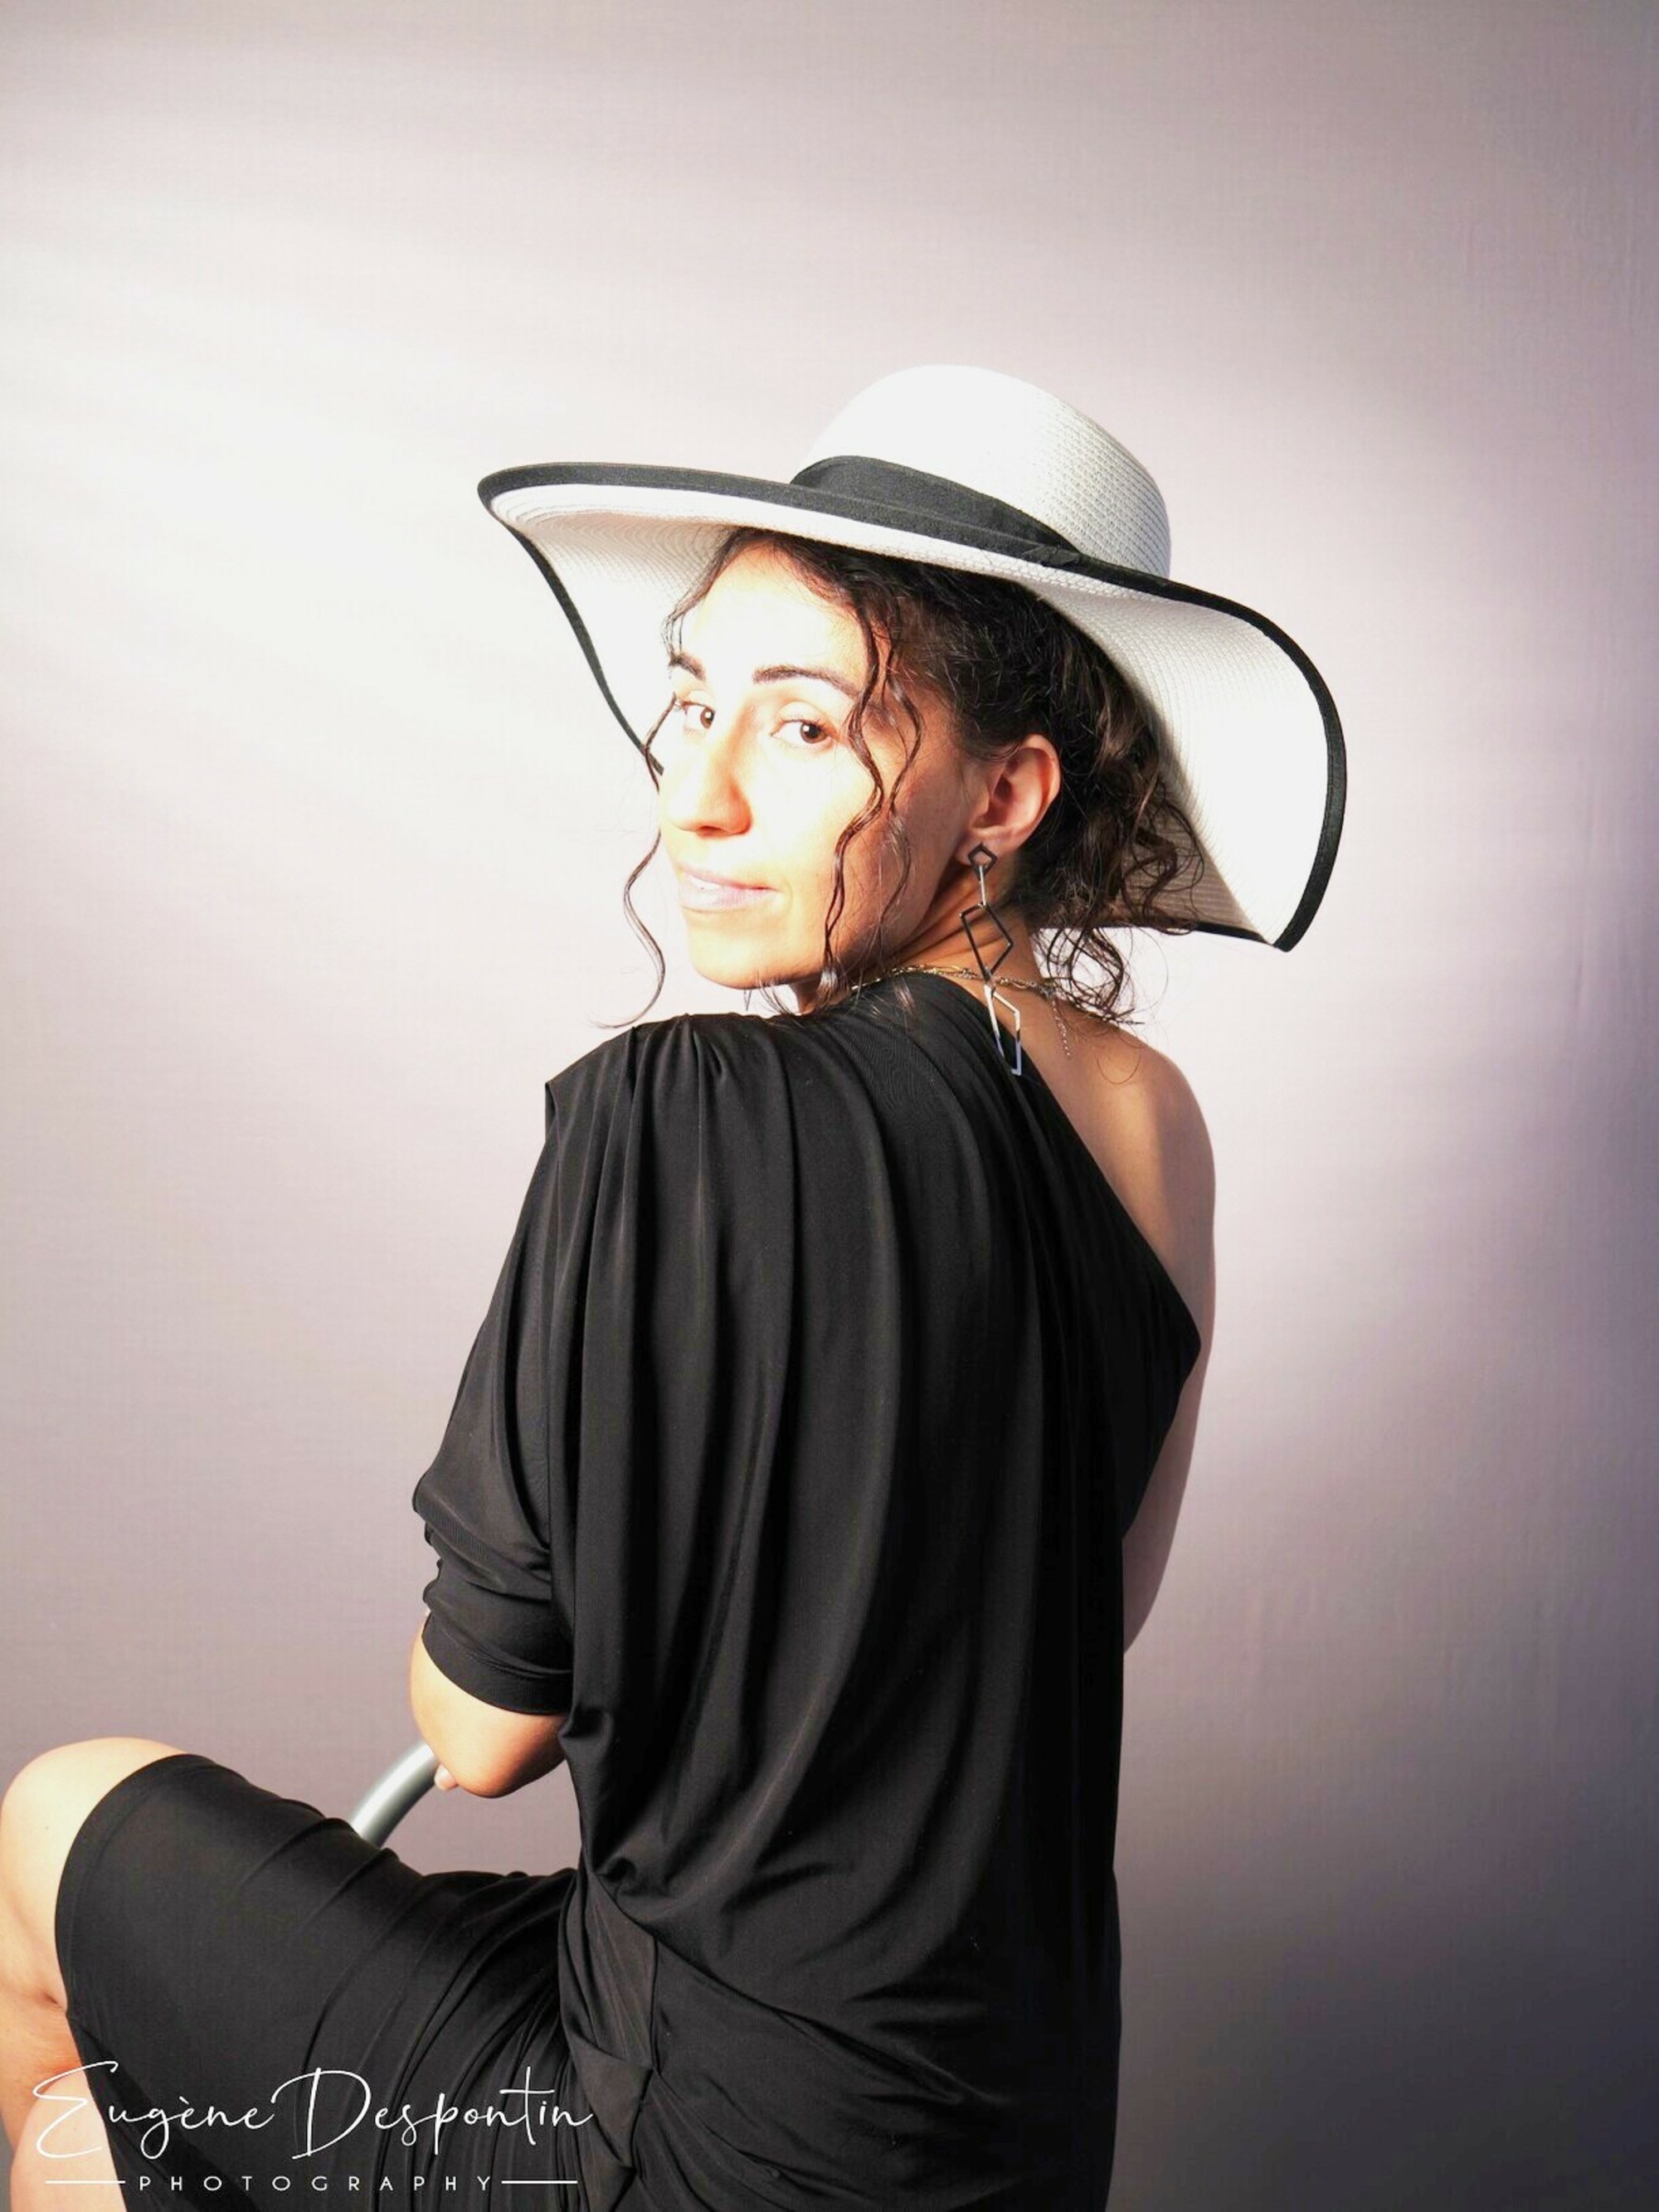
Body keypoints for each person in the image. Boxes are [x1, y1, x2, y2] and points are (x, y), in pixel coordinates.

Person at [0, 365, 1344, 2209]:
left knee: (52, 1843)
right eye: (693, 699)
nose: (696, 793)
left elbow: (477, 1734)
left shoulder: (677, 1113)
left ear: (1007, 789)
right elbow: (1081, 1612)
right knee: (117, 2143)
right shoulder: (1154, 1123)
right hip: (1003, 2137)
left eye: (804, 726)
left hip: (690, 2146)